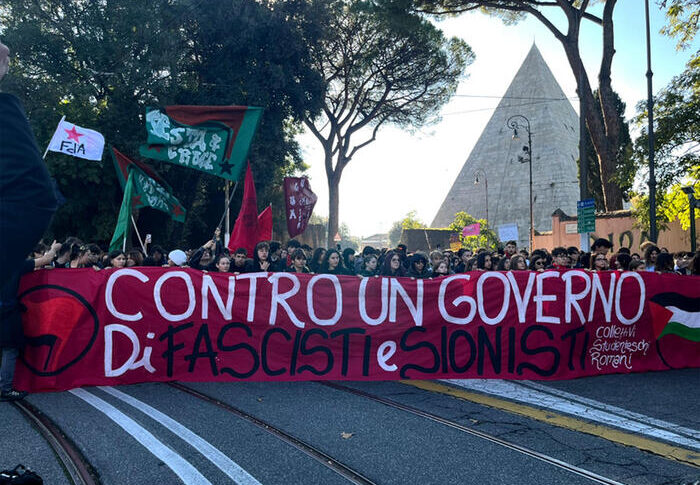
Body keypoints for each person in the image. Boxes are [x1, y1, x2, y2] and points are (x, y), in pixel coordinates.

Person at [1, 242, 61, 401]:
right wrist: (54, 249)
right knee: (10, 350)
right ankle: (5, 389)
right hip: (7, 313)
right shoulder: (14, 264)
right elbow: (47, 259)